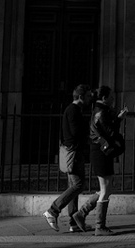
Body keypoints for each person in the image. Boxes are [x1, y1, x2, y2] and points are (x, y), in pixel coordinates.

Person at [43, 83, 96, 234]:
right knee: (78, 185)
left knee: (73, 187)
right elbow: (75, 132)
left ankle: (73, 223)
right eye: (86, 97)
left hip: (70, 152)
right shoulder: (73, 110)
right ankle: (53, 210)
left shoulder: (71, 110)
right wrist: (86, 136)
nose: (88, 100)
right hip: (75, 153)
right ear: (80, 97)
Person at [88, 86, 128, 236]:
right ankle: (100, 226)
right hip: (101, 152)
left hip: (101, 151)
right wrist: (119, 119)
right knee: (105, 189)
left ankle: (82, 213)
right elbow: (109, 132)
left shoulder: (99, 110)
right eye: (111, 96)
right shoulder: (101, 111)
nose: (113, 99)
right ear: (104, 97)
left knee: (107, 188)